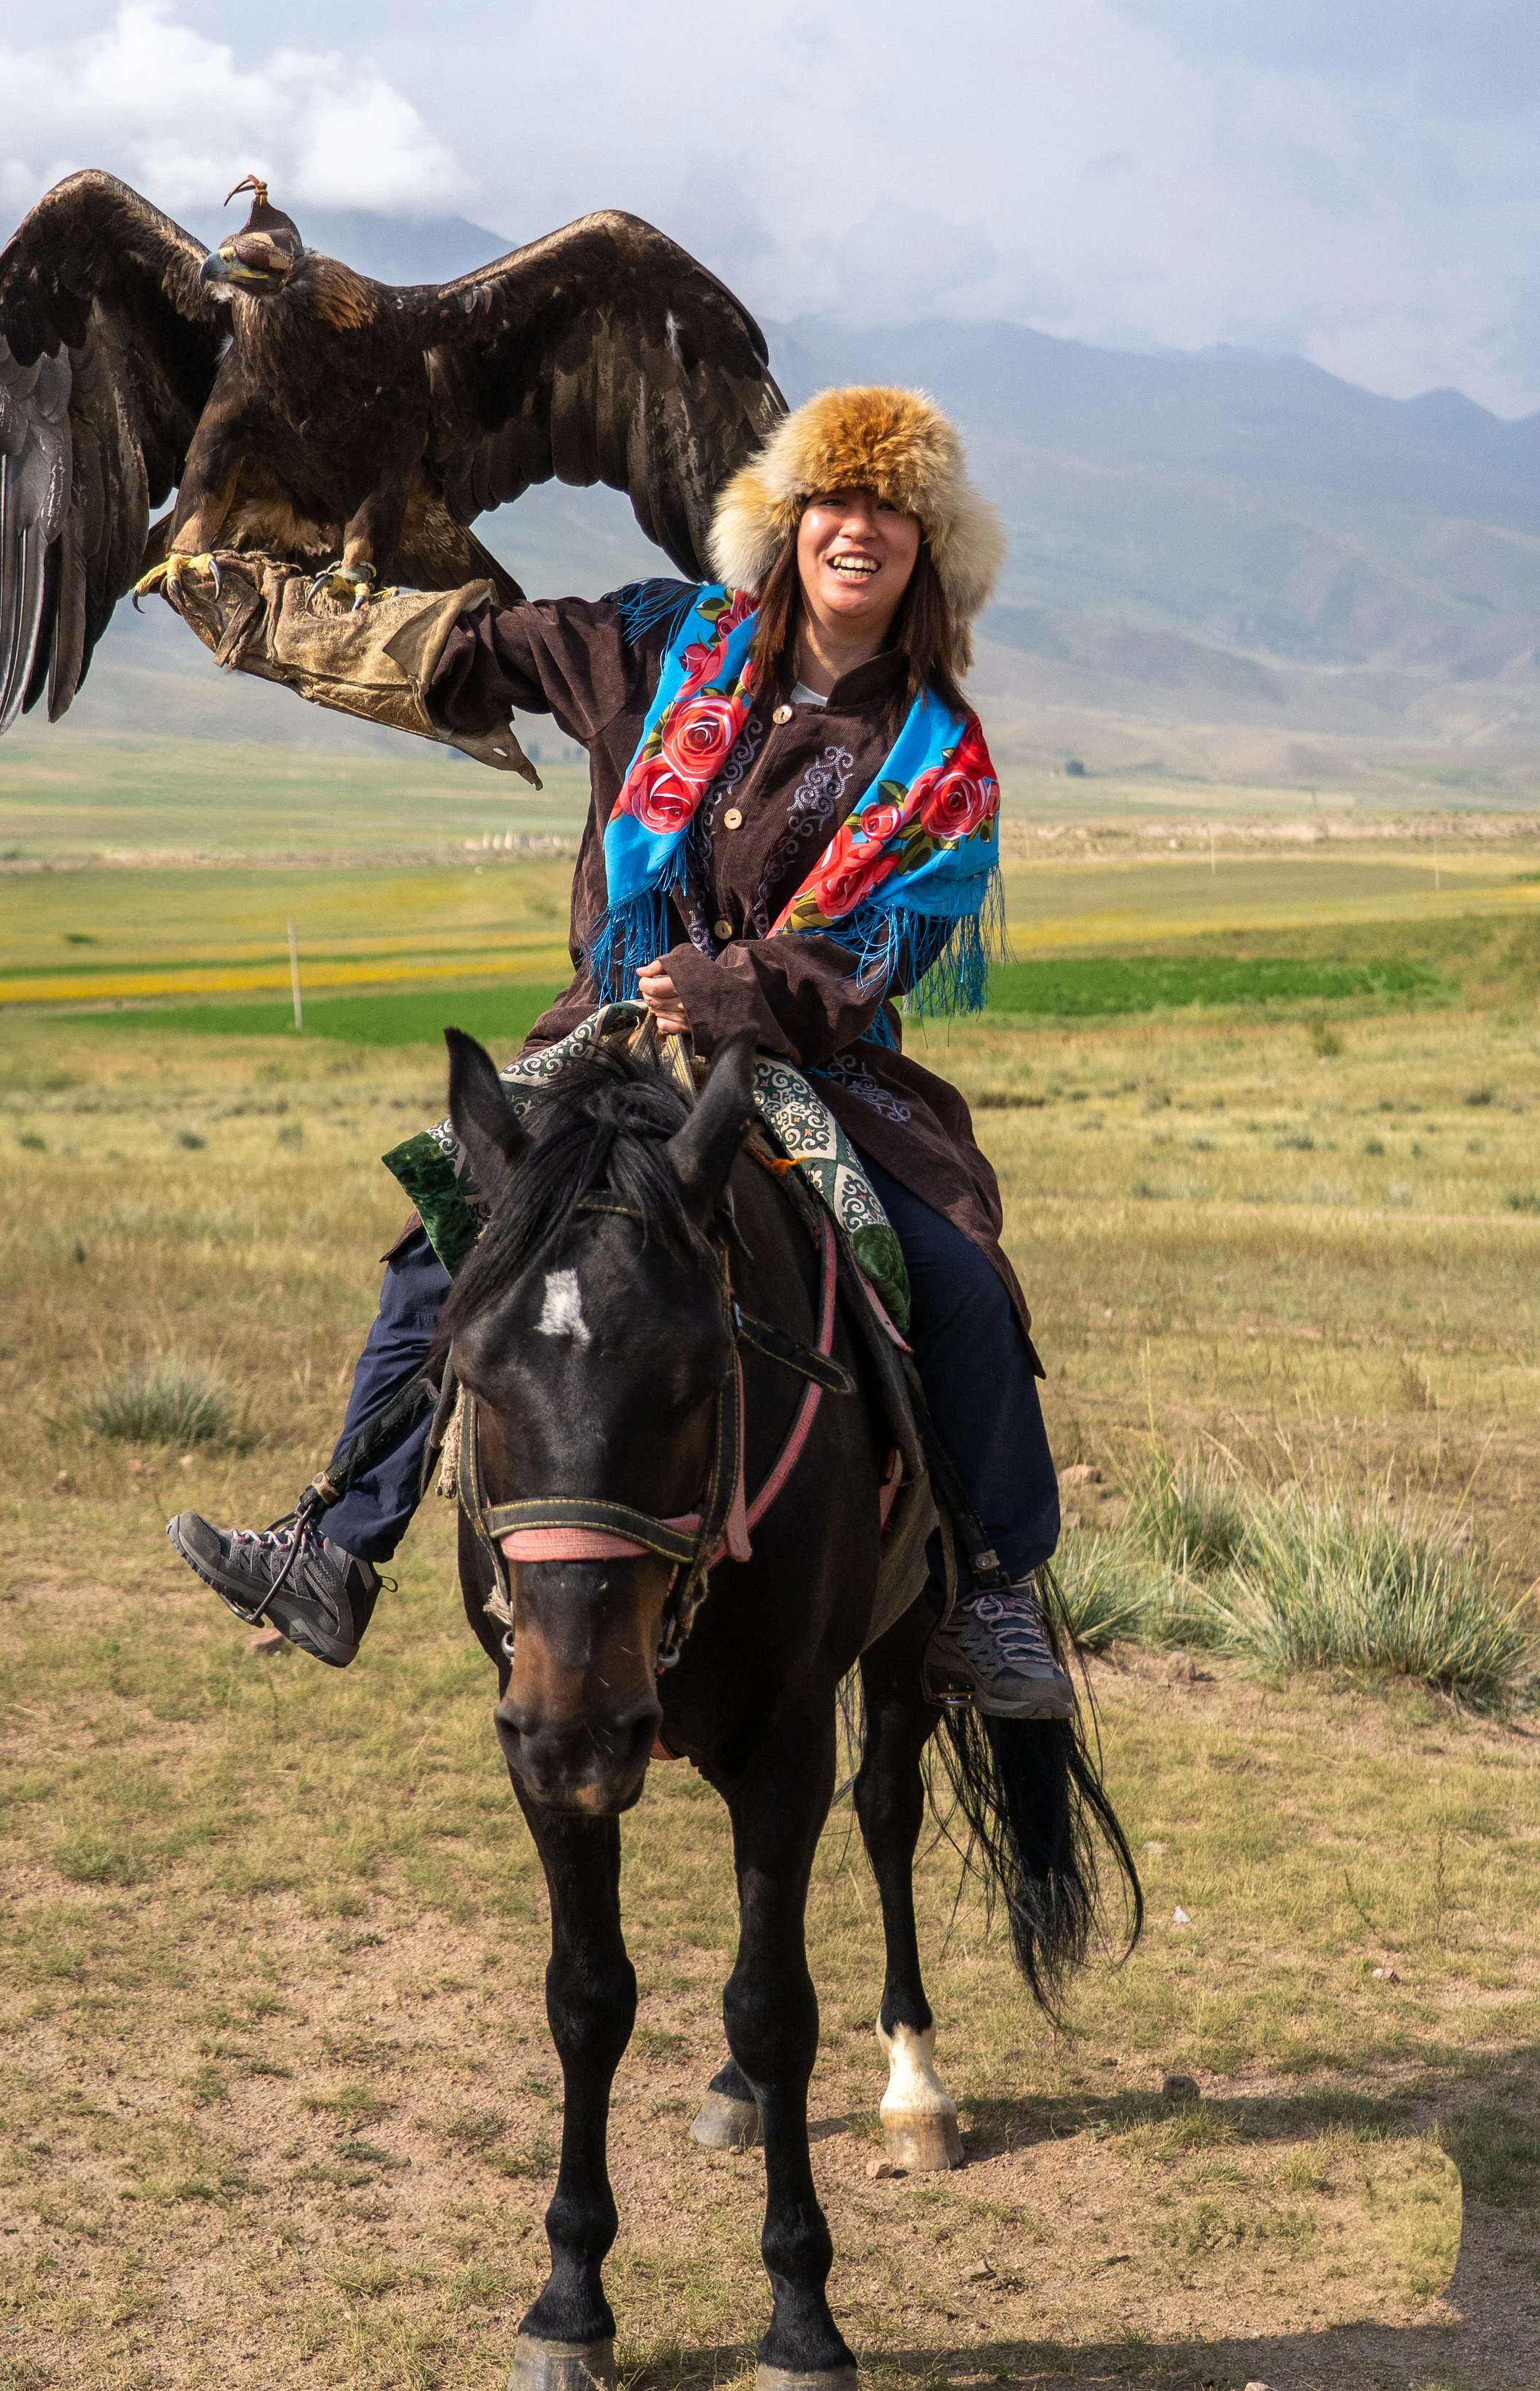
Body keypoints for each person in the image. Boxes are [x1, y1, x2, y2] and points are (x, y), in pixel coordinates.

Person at [172, 385, 1074, 1723]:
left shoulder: (939, 759)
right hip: (611, 1042)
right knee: (444, 1233)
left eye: (895, 507)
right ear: (790, 519)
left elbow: (880, 952)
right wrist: (293, 615)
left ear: (928, 547)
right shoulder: (666, 645)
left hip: (816, 1070)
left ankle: (992, 1594)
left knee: (957, 1274)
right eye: (839, 497)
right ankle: (337, 1545)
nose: (862, 527)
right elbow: (492, 648)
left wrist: (731, 987)